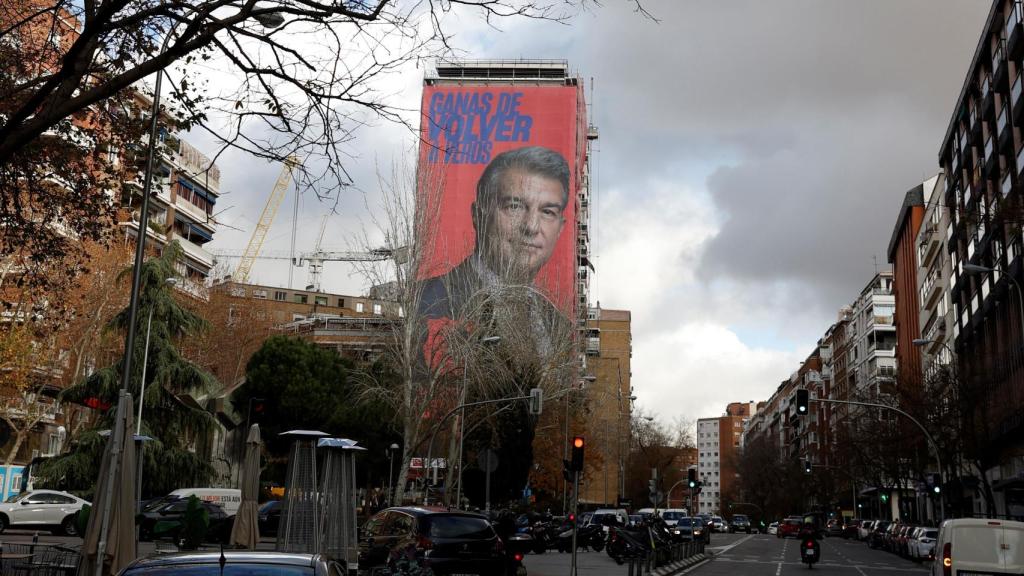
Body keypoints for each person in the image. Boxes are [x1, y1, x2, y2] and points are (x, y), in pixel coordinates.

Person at [419, 146, 572, 358]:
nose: (531, 226)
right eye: (514, 206)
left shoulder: (561, 327)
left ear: (560, 229)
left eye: (547, 212)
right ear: (478, 215)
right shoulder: (426, 302)